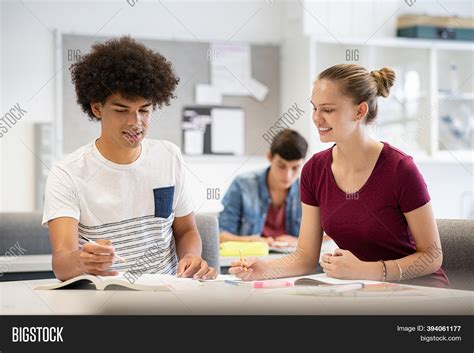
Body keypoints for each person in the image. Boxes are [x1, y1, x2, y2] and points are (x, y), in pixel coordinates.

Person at [230, 64, 449, 288]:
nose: (316, 118)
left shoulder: (400, 169)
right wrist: (265, 268)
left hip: (418, 290)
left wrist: (368, 270)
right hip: (362, 290)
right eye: (314, 108)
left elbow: (432, 256)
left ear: (359, 111)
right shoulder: (314, 170)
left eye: (328, 110)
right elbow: (305, 258)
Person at [42, 36, 216, 281]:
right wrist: (82, 261)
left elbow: (186, 230)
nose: (136, 123)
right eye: (122, 110)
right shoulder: (67, 174)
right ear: (96, 108)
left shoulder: (169, 156)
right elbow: (62, 262)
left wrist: (190, 257)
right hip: (104, 300)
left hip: (166, 296)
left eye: (144, 110)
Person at [219, 129, 308, 248]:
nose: (288, 176)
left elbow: (327, 233)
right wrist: (249, 241)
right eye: (281, 166)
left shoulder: (307, 189)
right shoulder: (242, 185)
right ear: (270, 157)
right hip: (250, 261)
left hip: (292, 262)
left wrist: (299, 241)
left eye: (295, 168)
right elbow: (220, 235)